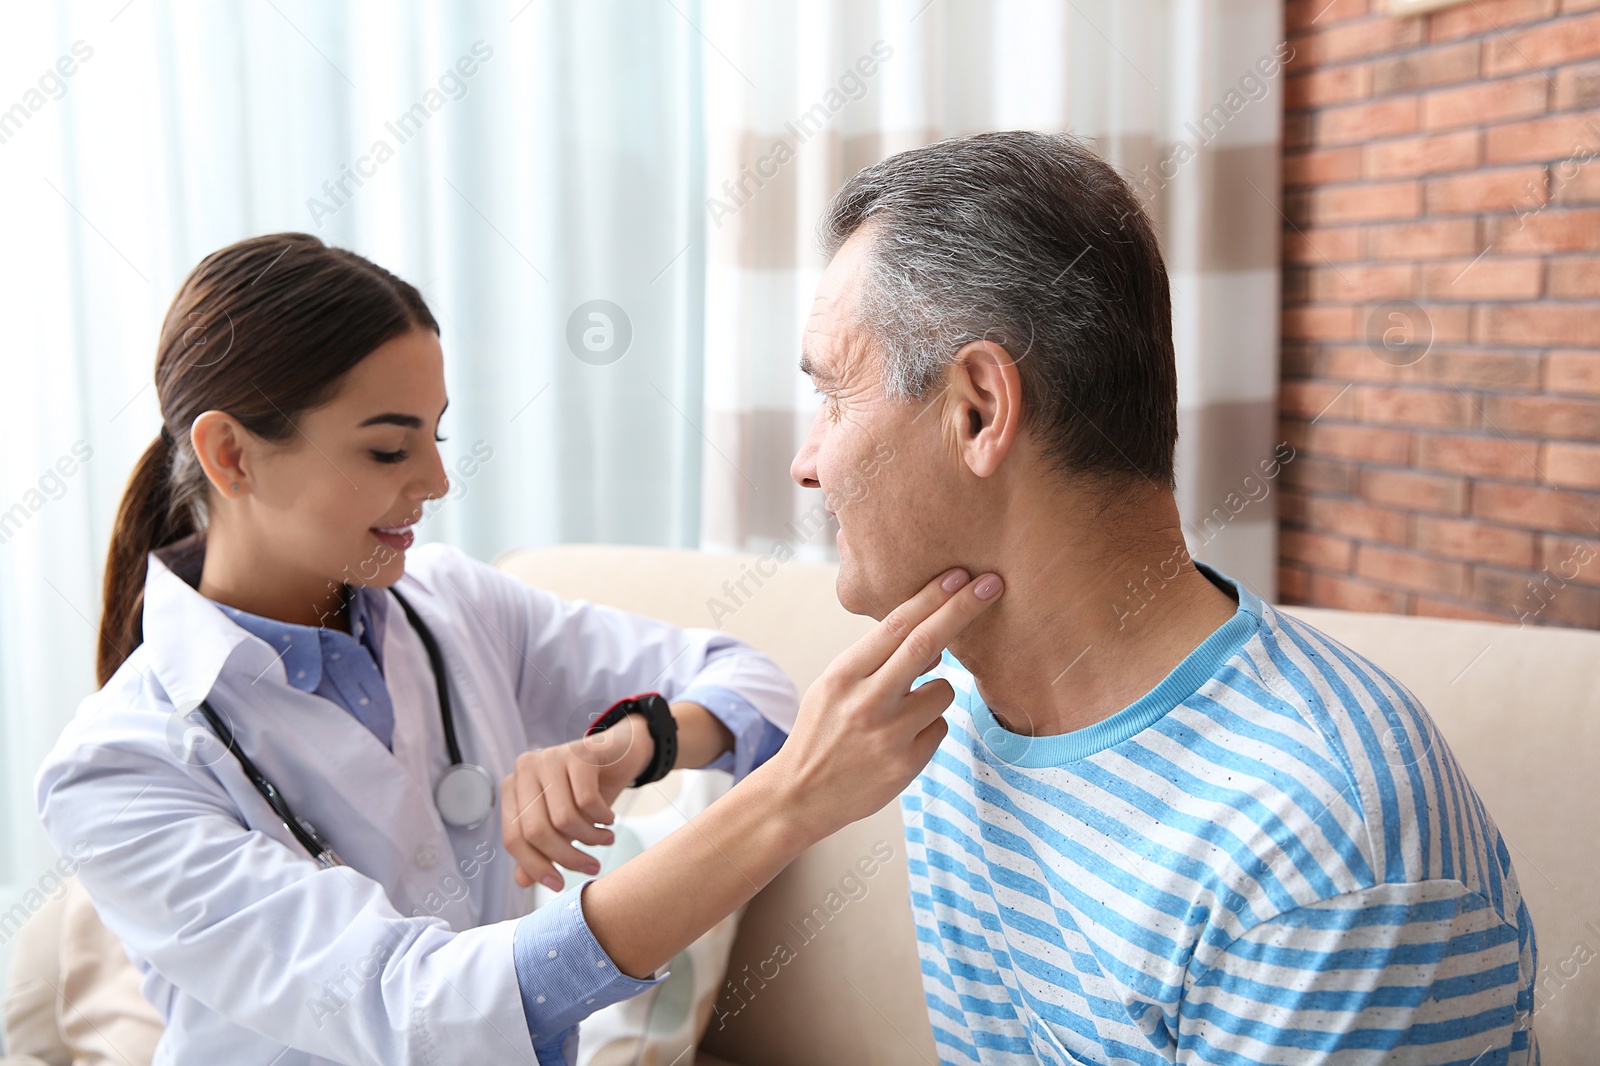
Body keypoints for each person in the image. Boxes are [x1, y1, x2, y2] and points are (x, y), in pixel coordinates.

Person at [34, 232, 1005, 1065]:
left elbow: (751, 681)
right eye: (388, 448)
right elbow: (413, 1006)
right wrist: (784, 809)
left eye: (437, 437)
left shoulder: (450, 602)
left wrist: (630, 745)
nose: (438, 480)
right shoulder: (119, 767)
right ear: (231, 455)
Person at [789, 131, 1539, 1065]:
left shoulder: (1322, 847)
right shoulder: (949, 722)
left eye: (832, 397)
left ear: (978, 408)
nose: (806, 465)